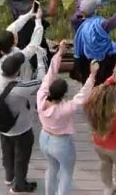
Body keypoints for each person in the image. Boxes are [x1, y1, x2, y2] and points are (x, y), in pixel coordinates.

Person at [0, 47, 47, 193]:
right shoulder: (20, 87)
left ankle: (9, 176)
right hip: (21, 128)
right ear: (17, 72)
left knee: (7, 152)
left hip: (1, 125)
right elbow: (42, 80)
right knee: (21, 158)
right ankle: (19, 186)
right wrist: (39, 57)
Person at [37, 40, 96, 195]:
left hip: (44, 138)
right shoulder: (65, 108)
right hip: (61, 143)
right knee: (66, 174)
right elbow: (82, 96)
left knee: (52, 168)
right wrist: (93, 75)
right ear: (63, 95)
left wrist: (60, 53)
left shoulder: (41, 96)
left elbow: (50, 73)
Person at [83, 64, 116, 195]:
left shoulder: (91, 106)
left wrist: (111, 79)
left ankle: (108, 187)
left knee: (104, 164)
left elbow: (101, 91)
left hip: (99, 143)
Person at [0, 4, 45, 82]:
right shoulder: (18, 56)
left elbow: (13, 27)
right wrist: (38, 20)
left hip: (1, 81)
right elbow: (34, 43)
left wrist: (30, 13)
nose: (15, 33)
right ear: (14, 43)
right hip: (19, 84)